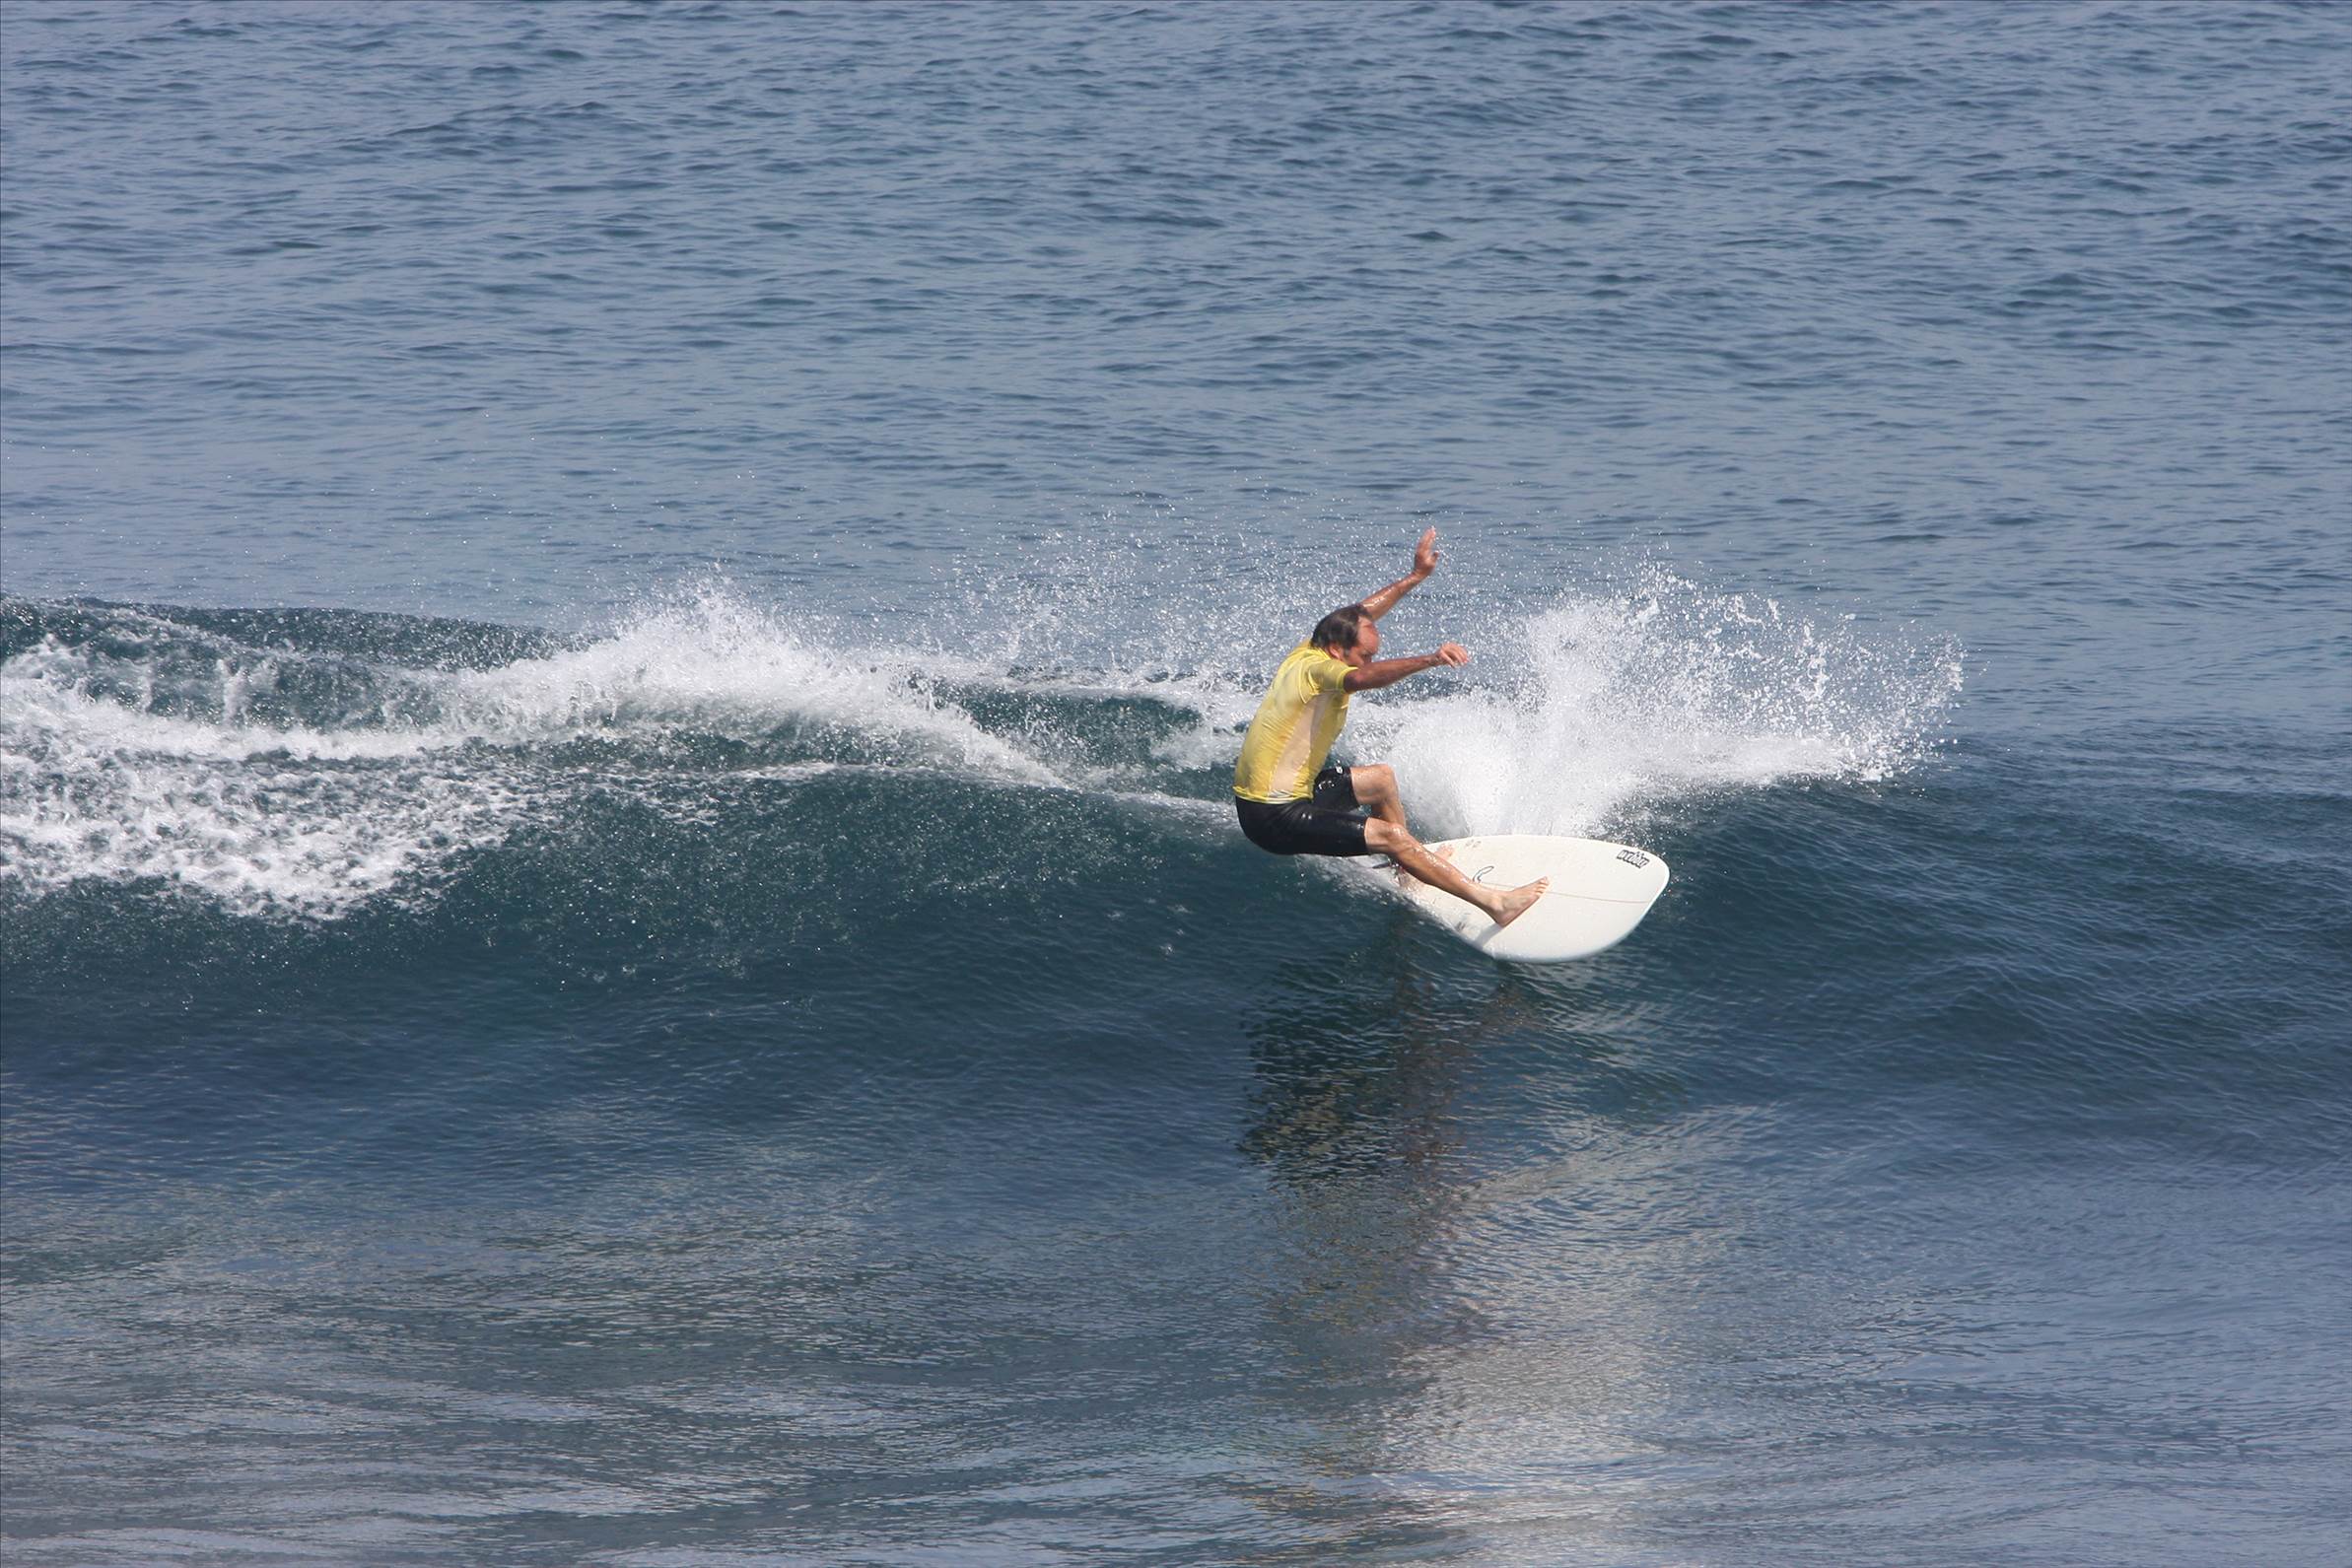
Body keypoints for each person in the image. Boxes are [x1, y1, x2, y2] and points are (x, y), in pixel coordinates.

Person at [1231, 527, 1548, 928]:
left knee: (1380, 780)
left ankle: (1409, 874)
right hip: (1274, 816)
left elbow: (1359, 614)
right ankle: (1496, 903)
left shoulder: (1313, 646)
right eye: (1364, 655)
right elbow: (1362, 679)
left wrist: (1415, 577)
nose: (1368, 661)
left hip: (1291, 796)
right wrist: (1431, 659)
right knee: (1391, 836)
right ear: (1337, 651)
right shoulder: (1320, 670)